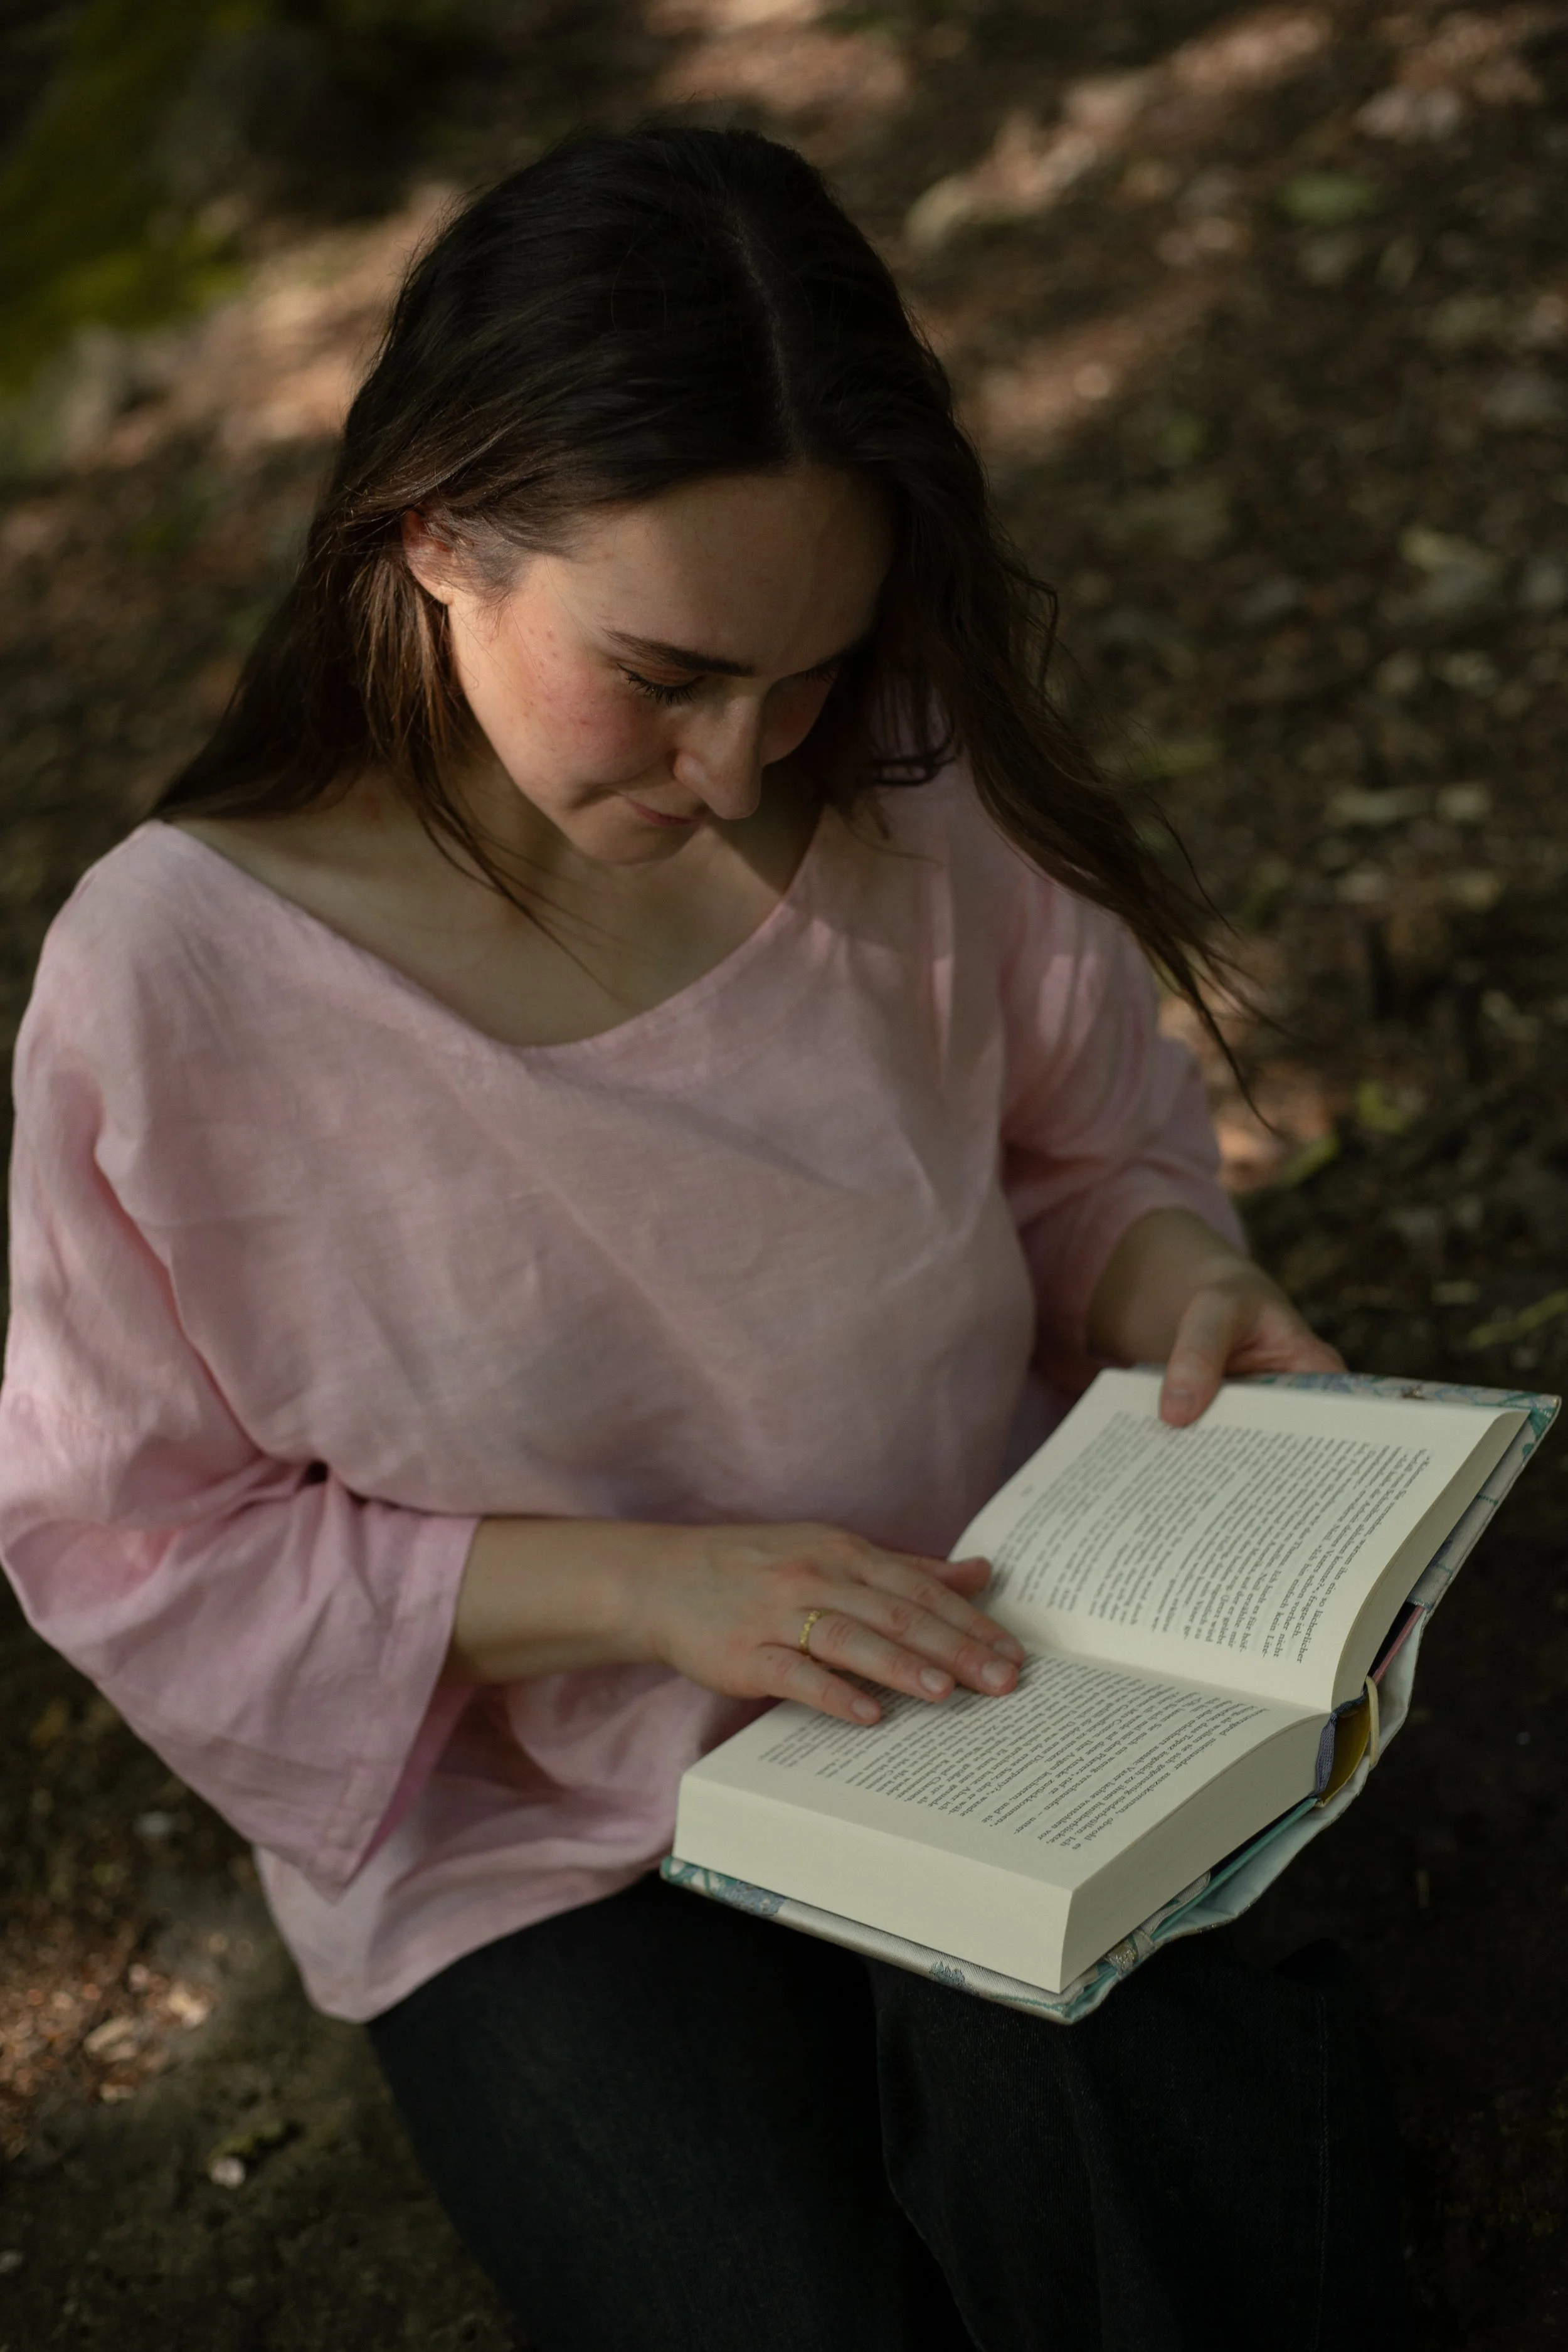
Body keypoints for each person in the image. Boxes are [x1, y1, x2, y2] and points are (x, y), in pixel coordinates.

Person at [0, 124, 1404, 2350]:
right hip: (531, 1820)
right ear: (433, 531)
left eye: (811, 669)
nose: (748, 762)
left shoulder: (902, 789)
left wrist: (1183, 1288)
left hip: (985, 1653)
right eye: (662, 676)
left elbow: (1083, 1158)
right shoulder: (176, 985)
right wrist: (657, 1587)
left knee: (1170, 2194)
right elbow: (134, 1538)